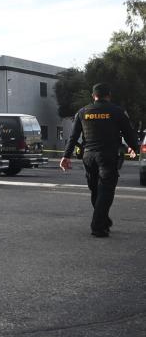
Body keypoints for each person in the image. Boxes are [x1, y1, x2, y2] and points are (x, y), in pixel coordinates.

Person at [60, 83, 140, 237]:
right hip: (107, 156)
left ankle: (103, 220)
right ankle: (97, 226)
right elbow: (129, 133)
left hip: (88, 156)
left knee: (96, 190)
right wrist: (133, 147)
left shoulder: (82, 112)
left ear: (93, 96)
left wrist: (66, 156)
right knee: (106, 191)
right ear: (108, 95)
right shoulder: (117, 111)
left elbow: (73, 136)